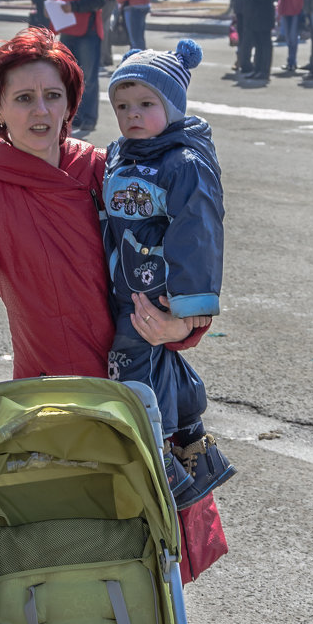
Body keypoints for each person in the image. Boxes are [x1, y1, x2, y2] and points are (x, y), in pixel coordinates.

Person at [0, 25, 210, 492]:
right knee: (77, 552)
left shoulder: (106, 169)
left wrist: (184, 327)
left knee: (161, 557)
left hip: (145, 400)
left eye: (53, 95)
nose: (42, 110)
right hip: (59, 412)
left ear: (71, 104)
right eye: (24, 98)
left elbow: (185, 252)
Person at [105, 39, 235, 507]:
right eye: (122, 106)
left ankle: (157, 461)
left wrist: (189, 308)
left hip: (156, 292)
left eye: (146, 104)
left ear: (174, 105)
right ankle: (193, 444)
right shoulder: (121, 154)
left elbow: (197, 232)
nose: (132, 115)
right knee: (163, 363)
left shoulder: (181, 163)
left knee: (130, 362)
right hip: (127, 281)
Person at [55, 0, 109, 133]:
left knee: (89, 78)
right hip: (68, 31)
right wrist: (48, 4)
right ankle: (74, 117)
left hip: (89, 32)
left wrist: (75, 7)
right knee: (70, 77)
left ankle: (89, 118)